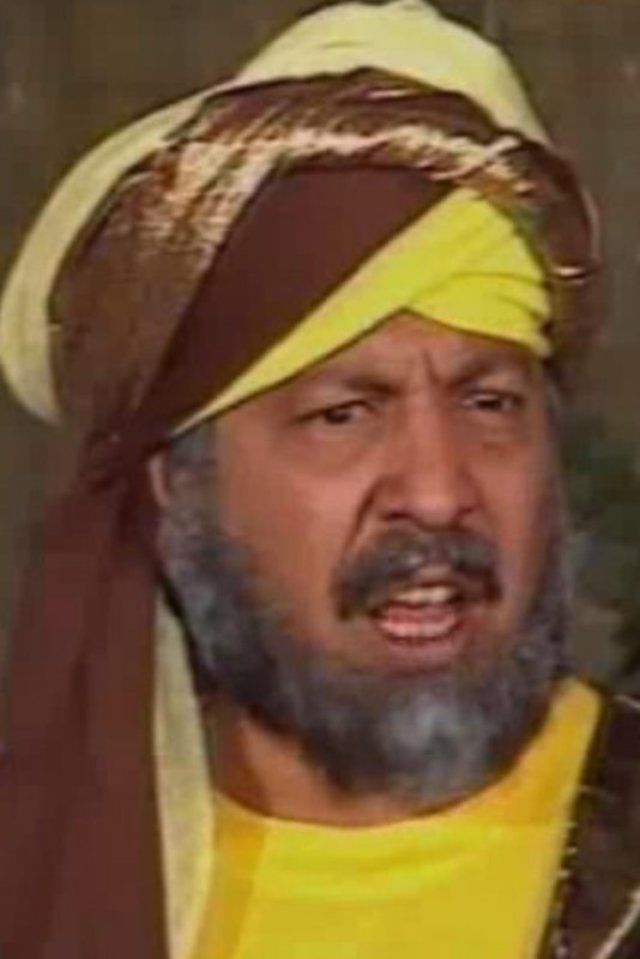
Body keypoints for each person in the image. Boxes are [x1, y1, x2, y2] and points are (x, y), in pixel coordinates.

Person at [0, 2, 638, 958]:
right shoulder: (42, 871)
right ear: (178, 484)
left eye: (490, 403)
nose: (437, 492)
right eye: (345, 414)